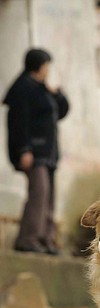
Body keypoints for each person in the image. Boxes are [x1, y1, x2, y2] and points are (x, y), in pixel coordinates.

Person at [4, 48, 69, 255]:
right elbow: (18, 123)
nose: (48, 70)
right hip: (33, 152)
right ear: (38, 66)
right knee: (39, 193)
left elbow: (61, 111)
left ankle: (45, 239)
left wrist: (58, 94)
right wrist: (24, 149)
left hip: (48, 153)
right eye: (46, 65)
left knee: (49, 196)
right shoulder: (23, 88)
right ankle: (27, 238)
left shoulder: (43, 89)